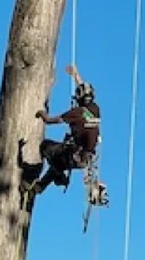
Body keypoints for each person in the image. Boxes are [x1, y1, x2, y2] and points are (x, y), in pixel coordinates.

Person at [32, 63, 102, 196]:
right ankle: (39, 187)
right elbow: (84, 90)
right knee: (59, 162)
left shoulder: (76, 113)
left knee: (46, 146)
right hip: (86, 158)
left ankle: (59, 176)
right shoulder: (95, 109)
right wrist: (76, 75)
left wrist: (42, 114)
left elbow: (50, 121)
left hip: (75, 155)